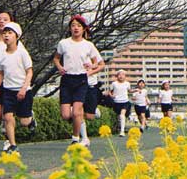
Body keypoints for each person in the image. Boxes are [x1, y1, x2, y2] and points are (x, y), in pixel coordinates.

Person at [0, 11, 34, 151]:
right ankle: (11, 141)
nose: (1, 22)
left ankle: (9, 141)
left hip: (13, 85)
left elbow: (27, 69)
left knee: (12, 117)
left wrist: (23, 87)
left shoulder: (19, 47)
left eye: (5, 19)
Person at [53, 15, 98, 145]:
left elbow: (96, 62)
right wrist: (60, 67)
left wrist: (91, 66)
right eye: (73, 25)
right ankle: (78, 124)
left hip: (81, 79)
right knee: (66, 115)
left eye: (79, 26)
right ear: (70, 28)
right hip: (67, 79)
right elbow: (56, 58)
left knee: (77, 111)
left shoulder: (88, 45)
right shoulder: (63, 43)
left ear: (84, 29)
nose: (76, 28)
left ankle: (76, 138)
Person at [0, 22, 36, 153]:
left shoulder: (22, 53)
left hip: (24, 91)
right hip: (8, 91)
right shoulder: (2, 54)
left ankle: (31, 119)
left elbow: (30, 72)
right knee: (7, 117)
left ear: (17, 36)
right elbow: (1, 73)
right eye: (5, 33)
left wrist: (23, 88)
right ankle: (13, 145)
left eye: (10, 33)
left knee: (24, 122)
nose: (6, 35)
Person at [80, 52, 105, 147]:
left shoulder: (91, 53)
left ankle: (95, 110)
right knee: (78, 112)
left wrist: (90, 68)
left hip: (91, 87)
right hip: (79, 87)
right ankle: (84, 138)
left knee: (89, 116)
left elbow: (100, 65)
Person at [109, 70, 135, 136]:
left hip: (125, 102)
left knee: (122, 115)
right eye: (119, 75)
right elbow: (109, 92)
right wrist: (111, 96)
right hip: (116, 102)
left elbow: (129, 90)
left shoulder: (127, 83)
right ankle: (118, 128)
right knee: (118, 117)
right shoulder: (114, 83)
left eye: (123, 75)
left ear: (125, 76)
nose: (121, 76)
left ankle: (122, 131)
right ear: (117, 76)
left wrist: (135, 90)